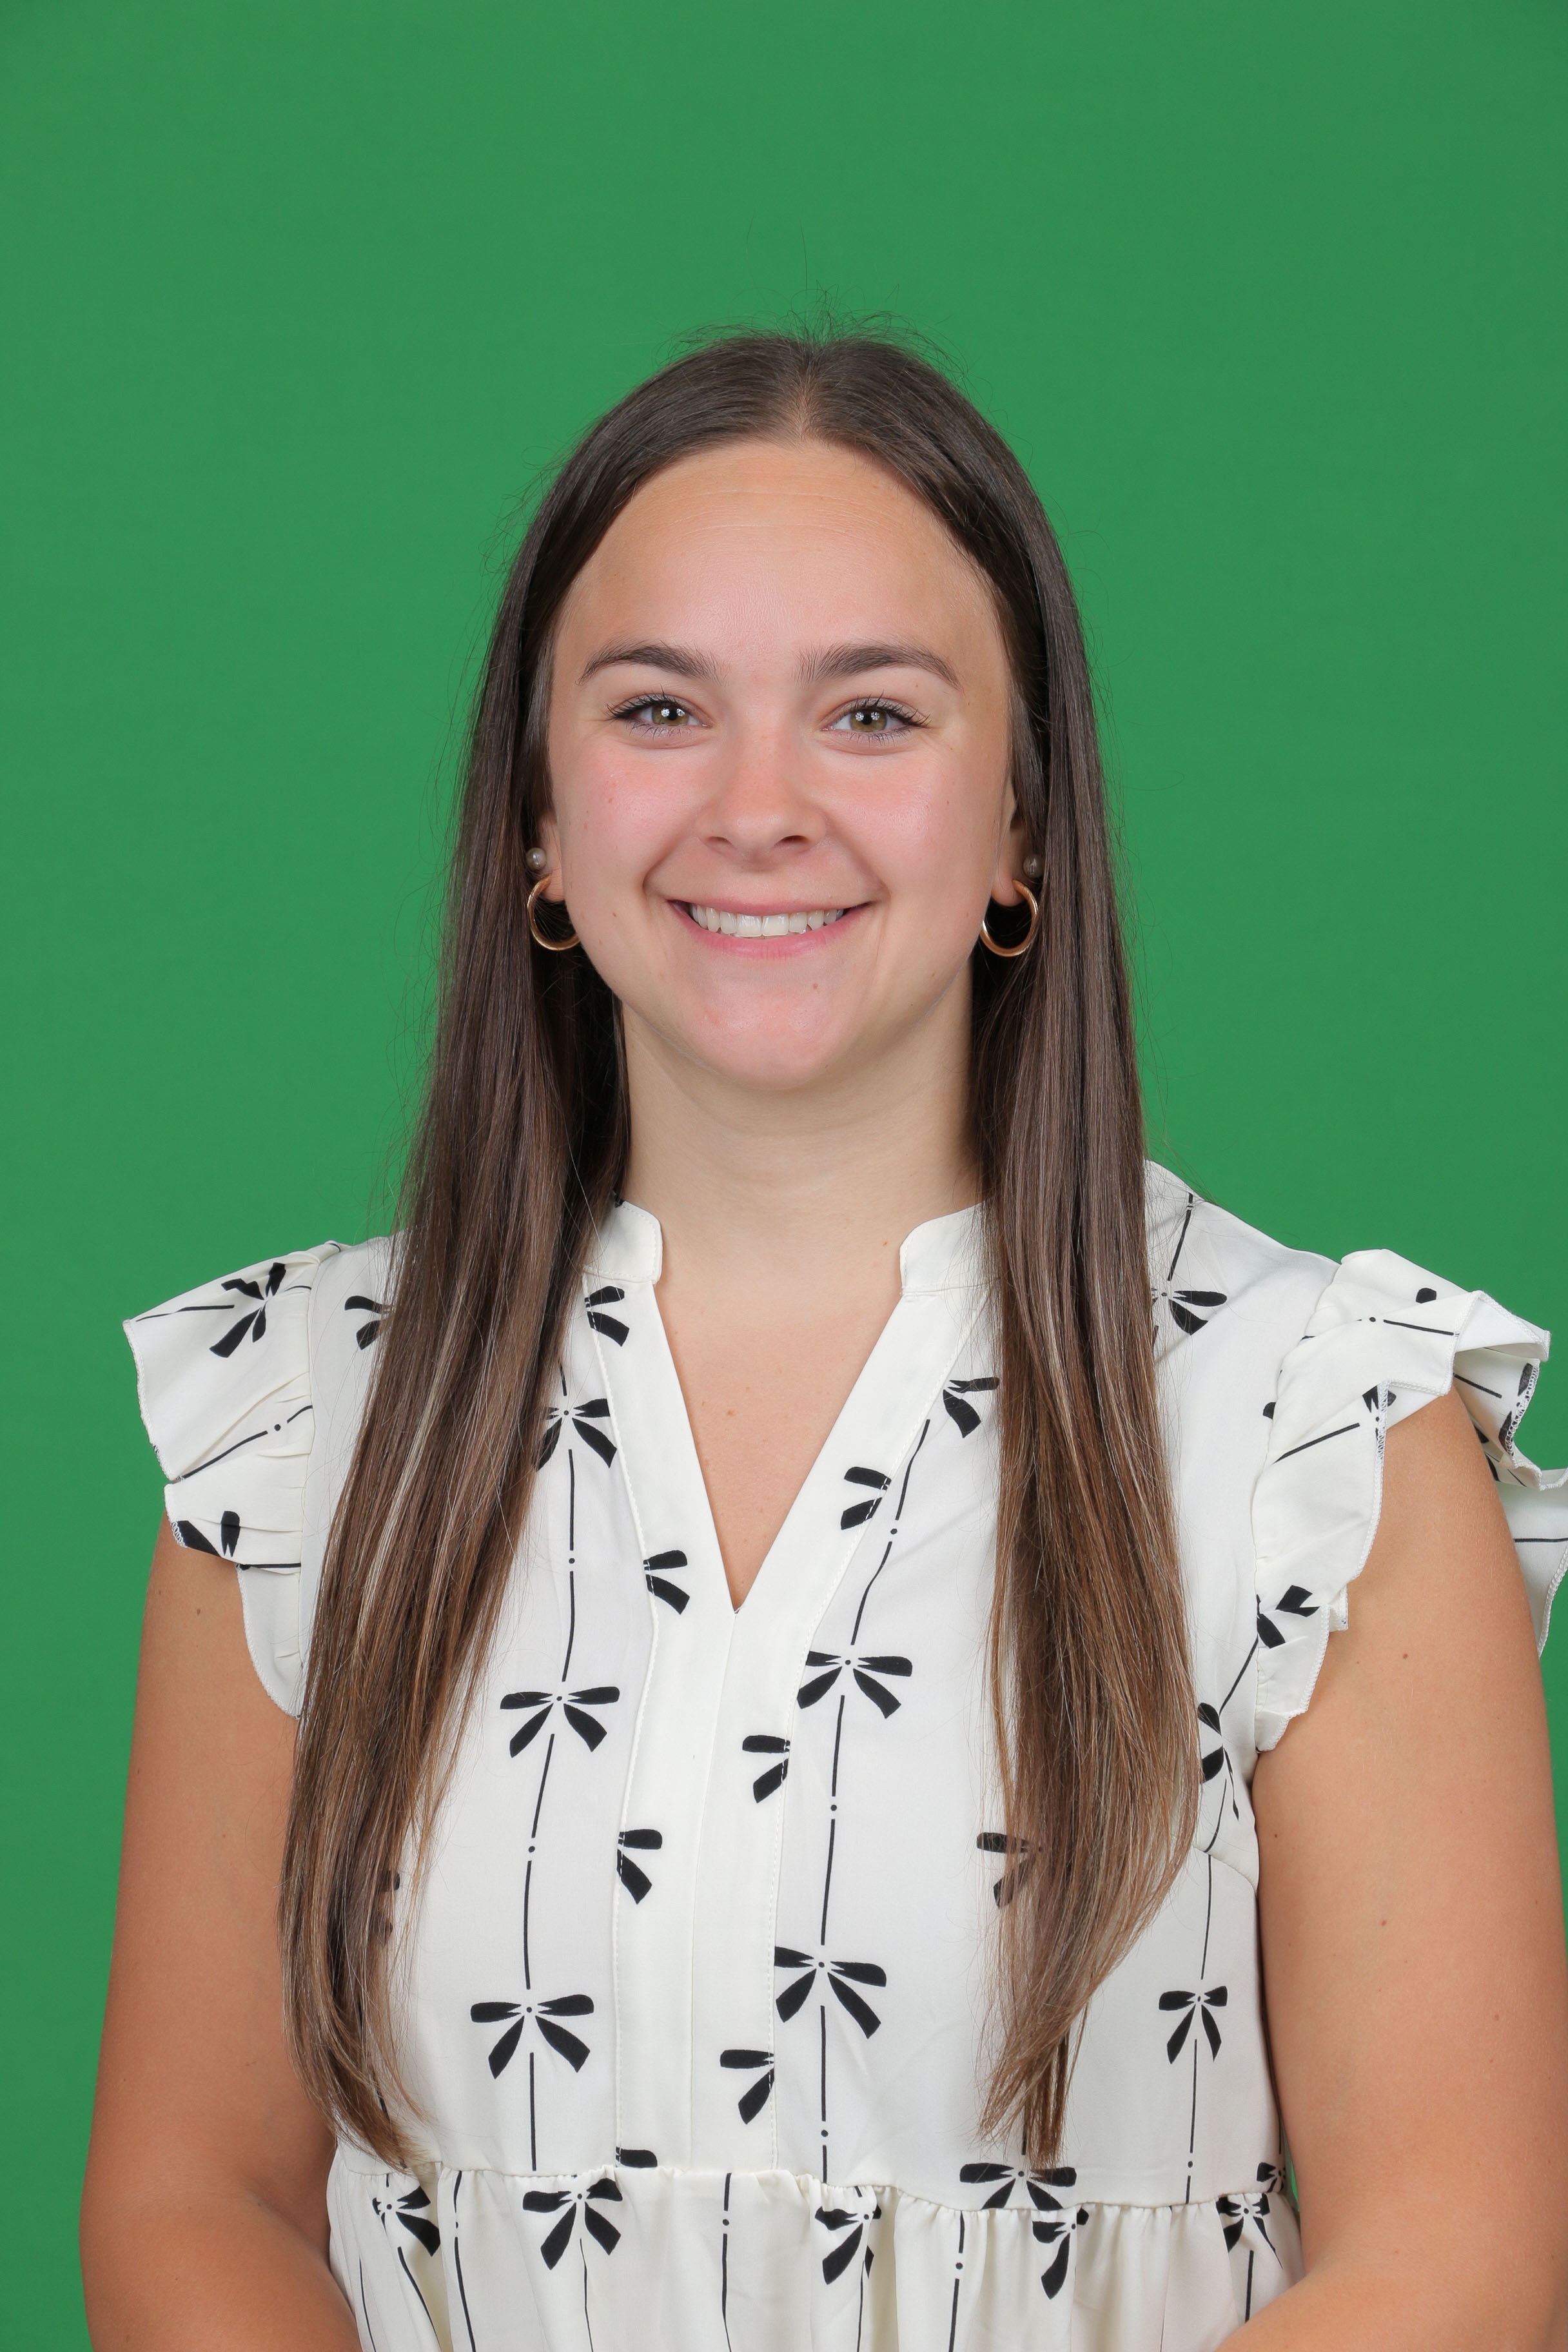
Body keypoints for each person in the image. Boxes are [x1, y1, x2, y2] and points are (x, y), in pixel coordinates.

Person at [82, 331, 1568, 2352]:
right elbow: (200, 2198)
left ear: (1022, 826)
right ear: (537, 826)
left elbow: (1456, 2258)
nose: (759, 808)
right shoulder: (303, 1431)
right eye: (659, 709)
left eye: (871, 713)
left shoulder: (1313, 1431)